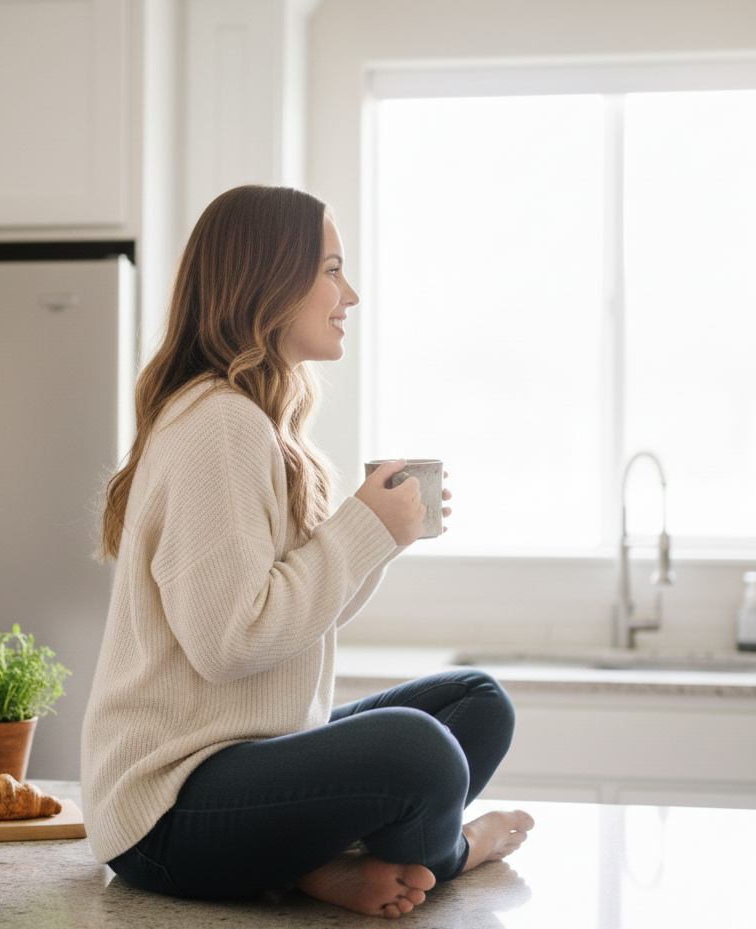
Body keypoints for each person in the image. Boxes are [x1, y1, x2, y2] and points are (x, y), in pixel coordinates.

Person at [81, 185, 533, 919]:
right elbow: (230, 642)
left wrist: (379, 536)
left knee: (474, 702)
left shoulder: (260, 425)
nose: (348, 293)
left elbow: (294, 613)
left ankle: (315, 863)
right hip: (166, 812)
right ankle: (453, 850)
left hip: (241, 766)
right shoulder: (218, 425)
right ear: (268, 281)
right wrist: (361, 529)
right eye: (330, 269)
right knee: (418, 752)